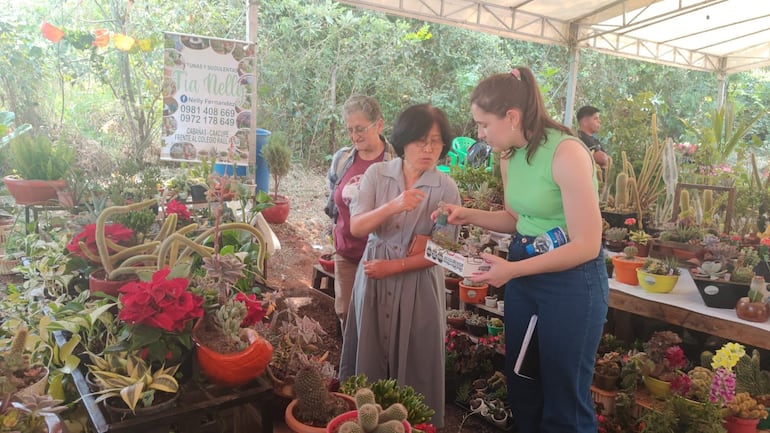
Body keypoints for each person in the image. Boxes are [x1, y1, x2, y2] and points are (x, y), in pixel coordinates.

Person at [444, 68, 608, 433]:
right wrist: (468, 213)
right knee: (523, 383)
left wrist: (512, 271)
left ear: (512, 117)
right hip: (525, 273)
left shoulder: (566, 153)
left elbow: (586, 244)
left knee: (564, 396)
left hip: (571, 283)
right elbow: (518, 218)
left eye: (483, 124)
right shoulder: (509, 156)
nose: (480, 134)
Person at [338, 103, 461, 428]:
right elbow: (358, 227)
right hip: (373, 280)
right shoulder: (379, 174)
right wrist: (393, 206)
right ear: (404, 140)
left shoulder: (446, 188)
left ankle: (415, 425)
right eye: (421, 140)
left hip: (418, 286)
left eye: (436, 141)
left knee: (417, 361)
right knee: (370, 356)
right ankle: (364, 422)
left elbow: (443, 253)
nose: (429, 148)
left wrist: (395, 266)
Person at [324, 95, 395, 332]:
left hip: (381, 257)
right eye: (350, 130)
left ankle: (377, 370)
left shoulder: (396, 163)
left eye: (361, 129)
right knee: (347, 316)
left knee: (378, 321)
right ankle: (351, 368)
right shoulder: (342, 159)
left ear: (379, 125)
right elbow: (333, 198)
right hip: (347, 253)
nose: (355, 136)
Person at [576, 105, 611, 170]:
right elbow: (603, 158)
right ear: (585, 122)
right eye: (595, 118)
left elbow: (608, 160)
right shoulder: (580, 137)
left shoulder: (595, 140)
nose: (599, 121)